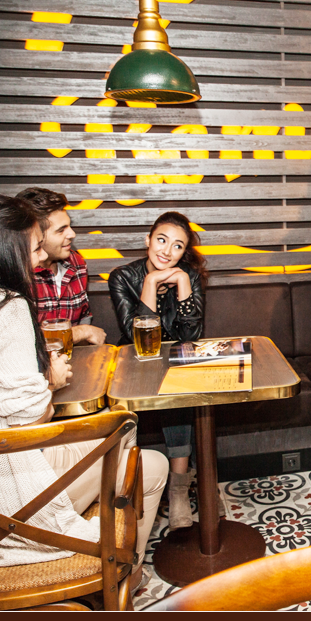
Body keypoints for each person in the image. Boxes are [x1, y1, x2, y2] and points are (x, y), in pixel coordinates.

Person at [0, 194, 167, 592]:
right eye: (34, 248)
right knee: (148, 459)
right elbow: (29, 417)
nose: (42, 256)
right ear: (3, 253)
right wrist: (51, 381)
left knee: (122, 432)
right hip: (8, 504)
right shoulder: (4, 308)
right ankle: (119, 578)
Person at [108, 211, 207, 530]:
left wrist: (183, 283)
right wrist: (150, 282)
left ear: (184, 252)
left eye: (177, 246)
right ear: (147, 240)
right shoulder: (122, 276)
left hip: (176, 359)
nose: (167, 251)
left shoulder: (188, 276)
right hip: (135, 361)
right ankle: (134, 487)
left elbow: (191, 335)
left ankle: (179, 489)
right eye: (161, 240)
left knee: (181, 392)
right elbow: (135, 335)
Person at [16, 187, 106, 345]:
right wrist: (80, 332)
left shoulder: (76, 262)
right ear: (35, 235)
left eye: (69, 226)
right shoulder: (17, 273)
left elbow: (84, 317)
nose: (72, 234)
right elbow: (17, 341)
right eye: (61, 230)